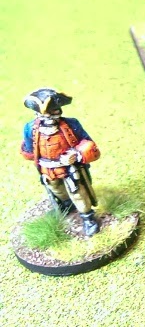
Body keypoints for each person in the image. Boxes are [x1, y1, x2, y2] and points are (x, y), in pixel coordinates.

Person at [20, 89, 102, 236]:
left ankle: (88, 218)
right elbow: (28, 149)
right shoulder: (30, 128)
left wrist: (76, 154)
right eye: (45, 114)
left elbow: (87, 142)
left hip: (70, 167)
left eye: (53, 111)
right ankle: (67, 205)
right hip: (47, 169)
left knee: (77, 192)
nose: (50, 116)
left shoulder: (71, 124)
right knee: (56, 189)